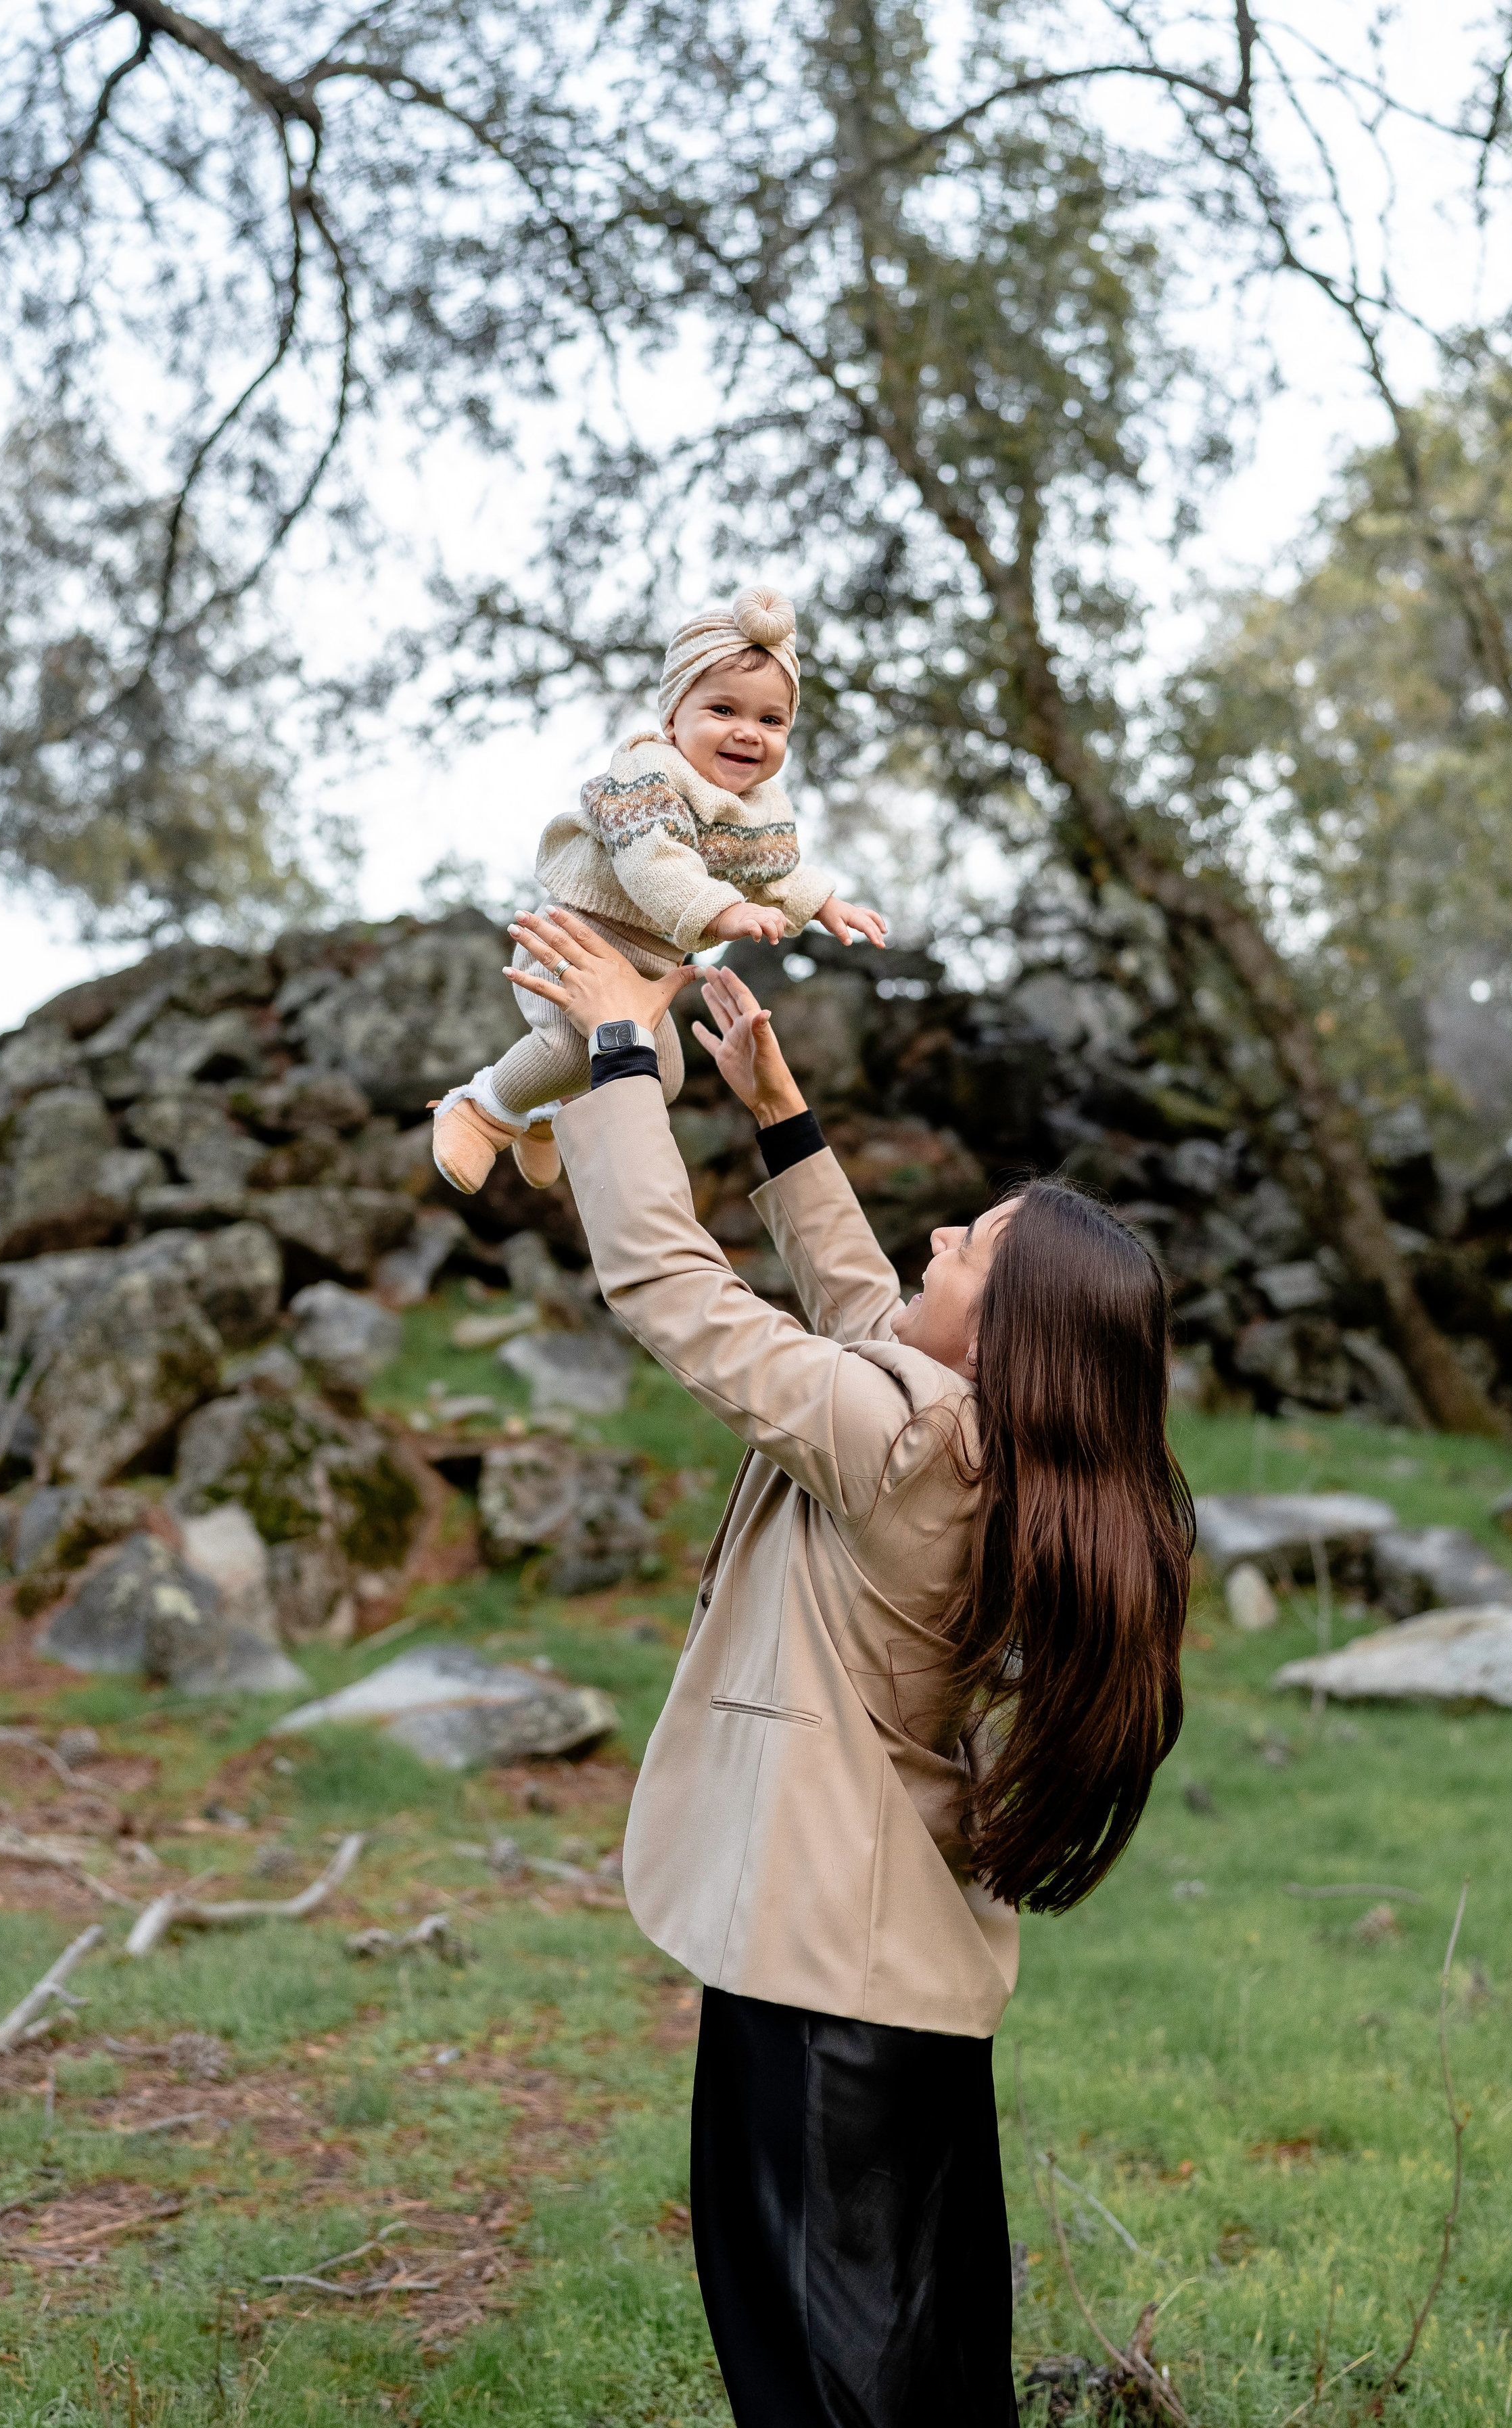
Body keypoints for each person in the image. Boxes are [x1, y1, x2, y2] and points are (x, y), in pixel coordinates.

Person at [507, 906, 1194, 2428]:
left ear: (1007, 1341)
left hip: (822, 1982)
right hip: (886, 1969)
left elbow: (667, 1290)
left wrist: (621, 1055)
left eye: (972, 1243)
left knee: (820, 2376)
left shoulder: (900, 1444)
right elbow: (873, 1323)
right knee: (917, 2358)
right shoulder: (978, 1445)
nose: (940, 1235)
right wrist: (776, 1117)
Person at [429, 585, 885, 1196]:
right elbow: (654, 862)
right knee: (574, 1049)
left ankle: (546, 1112)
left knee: (660, 1080)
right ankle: (482, 1110)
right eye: (724, 711)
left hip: (644, 971)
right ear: (673, 719)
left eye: (770, 720)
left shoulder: (759, 805)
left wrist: (825, 903)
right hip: (574, 941)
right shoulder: (647, 772)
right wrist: (723, 911)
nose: (749, 733)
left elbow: (772, 870)